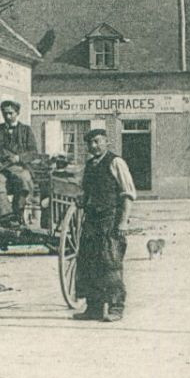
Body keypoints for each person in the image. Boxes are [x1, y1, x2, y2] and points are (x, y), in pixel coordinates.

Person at [73, 126, 138, 323]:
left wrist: (123, 222)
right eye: (90, 143)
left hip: (110, 219)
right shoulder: (91, 165)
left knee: (110, 262)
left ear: (106, 142)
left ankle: (116, 307)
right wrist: (81, 200)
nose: (93, 146)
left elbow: (128, 194)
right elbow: (86, 192)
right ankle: (94, 308)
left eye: (97, 142)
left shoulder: (116, 162)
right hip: (92, 221)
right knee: (88, 262)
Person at [0, 100, 37, 224]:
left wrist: (19, 158)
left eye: (10, 113)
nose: (7, 116)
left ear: (17, 113)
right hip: (0, 169)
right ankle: (7, 217)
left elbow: (33, 153)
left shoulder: (26, 131)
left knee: (24, 180)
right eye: (5, 114)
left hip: (20, 168)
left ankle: (18, 213)